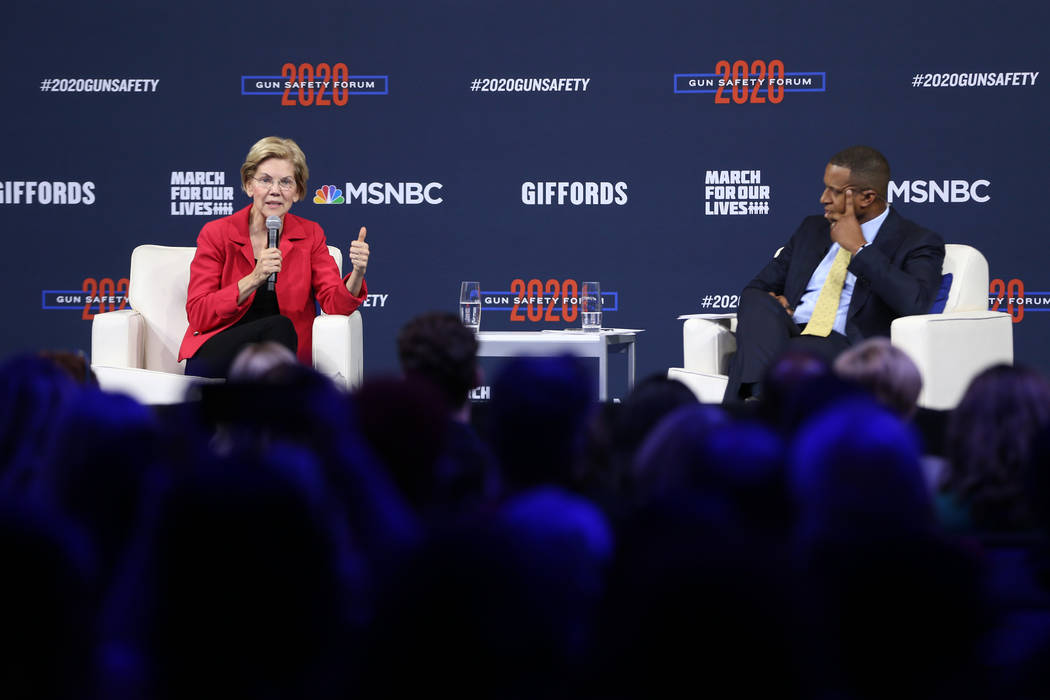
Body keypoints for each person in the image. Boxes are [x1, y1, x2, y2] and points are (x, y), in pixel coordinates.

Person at [726, 146, 944, 402]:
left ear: (867, 198)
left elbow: (916, 303)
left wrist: (859, 249)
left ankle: (752, 404)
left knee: (758, 358)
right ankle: (765, 398)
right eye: (825, 187)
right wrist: (777, 303)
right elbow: (758, 288)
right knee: (756, 303)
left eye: (836, 191)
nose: (823, 198)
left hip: (845, 343)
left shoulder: (917, 241)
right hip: (788, 329)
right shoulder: (811, 229)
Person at [179, 136, 371, 378]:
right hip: (218, 348)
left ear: (298, 192)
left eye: (286, 182)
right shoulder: (217, 233)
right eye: (265, 180)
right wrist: (254, 278)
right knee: (278, 327)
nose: (275, 191)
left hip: (282, 352)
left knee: (280, 329)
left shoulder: (310, 235)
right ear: (249, 186)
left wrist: (357, 273)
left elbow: (335, 304)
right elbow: (198, 314)